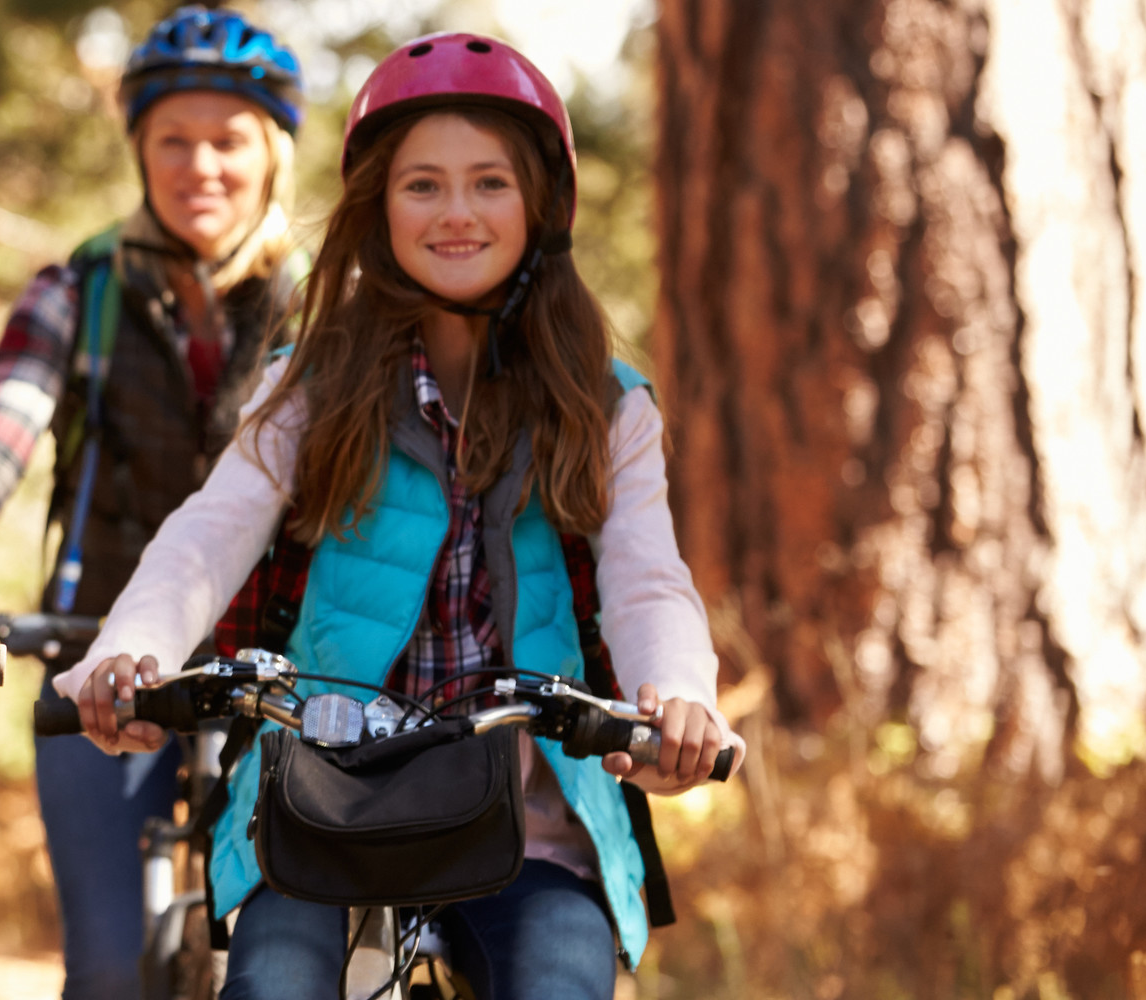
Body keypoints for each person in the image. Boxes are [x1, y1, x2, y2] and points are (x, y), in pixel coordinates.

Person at [59, 32, 746, 1000]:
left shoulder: (605, 402)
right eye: (422, 185)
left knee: (561, 983)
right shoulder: (312, 381)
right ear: (378, 208)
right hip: (317, 805)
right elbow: (210, 532)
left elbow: (646, 578)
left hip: (529, 814)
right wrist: (128, 649)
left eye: (490, 183)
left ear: (540, 203)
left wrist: (676, 695)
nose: (456, 212)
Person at [0, 8, 303, 997]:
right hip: (97, 653)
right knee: (109, 967)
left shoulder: (324, 301)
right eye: (173, 139)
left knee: (287, 959)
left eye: (228, 141)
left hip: (285, 664)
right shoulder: (80, 289)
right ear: (138, 150)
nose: (199, 165)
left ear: (275, 155)